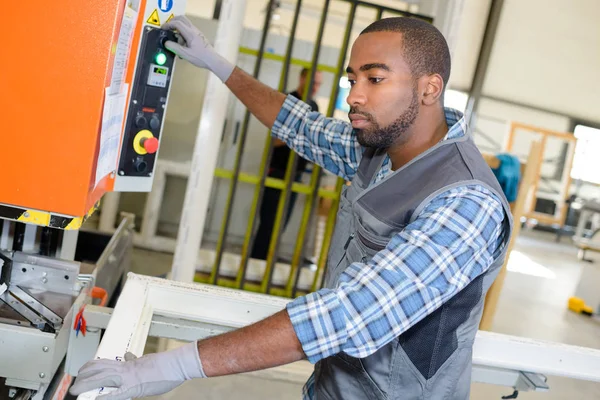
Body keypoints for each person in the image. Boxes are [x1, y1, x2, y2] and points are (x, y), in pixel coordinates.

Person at [70, 15, 513, 400]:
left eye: (374, 79)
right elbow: (301, 124)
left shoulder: (465, 201)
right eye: (351, 79)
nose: (354, 96)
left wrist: (170, 366)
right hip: (332, 386)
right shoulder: (382, 148)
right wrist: (219, 65)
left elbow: (351, 312)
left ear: (429, 88)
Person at [251, 68, 322, 260]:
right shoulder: (286, 100)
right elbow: (276, 139)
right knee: (269, 222)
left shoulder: (313, 105)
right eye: (313, 82)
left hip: (296, 174)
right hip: (278, 171)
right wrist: (300, 133)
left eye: (318, 84)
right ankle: (256, 262)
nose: (316, 87)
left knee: (282, 223)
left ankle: (265, 264)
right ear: (302, 78)